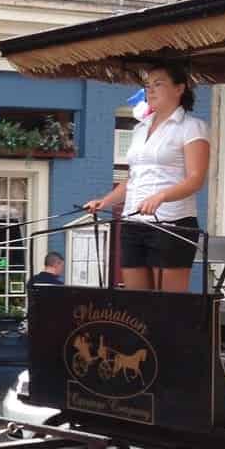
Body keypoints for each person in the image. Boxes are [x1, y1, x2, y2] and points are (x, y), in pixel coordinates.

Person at [83, 64, 210, 292]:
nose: (150, 90)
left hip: (171, 223)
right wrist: (105, 201)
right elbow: (133, 178)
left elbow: (196, 178)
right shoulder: (140, 129)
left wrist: (161, 196)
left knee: (167, 304)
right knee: (136, 301)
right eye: (147, 85)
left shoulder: (192, 127)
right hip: (133, 222)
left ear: (179, 88)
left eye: (158, 84)